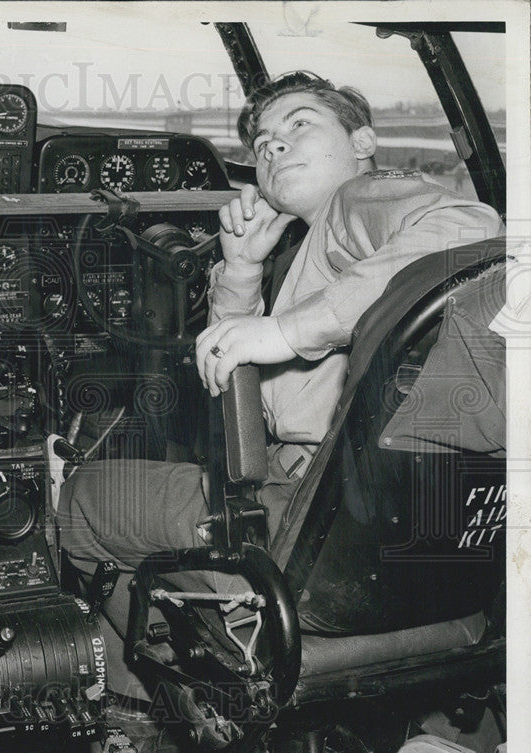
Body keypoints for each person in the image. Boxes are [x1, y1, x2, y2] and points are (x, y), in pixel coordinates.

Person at [55, 71, 505, 569]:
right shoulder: (324, 246)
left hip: (308, 514)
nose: (273, 148)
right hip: (403, 521)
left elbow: (470, 227)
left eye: (300, 125)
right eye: (263, 145)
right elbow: (238, 378)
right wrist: (243, 269)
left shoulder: (358, 197)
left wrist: (286, 331)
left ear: (363, 141)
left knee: (81, 498)